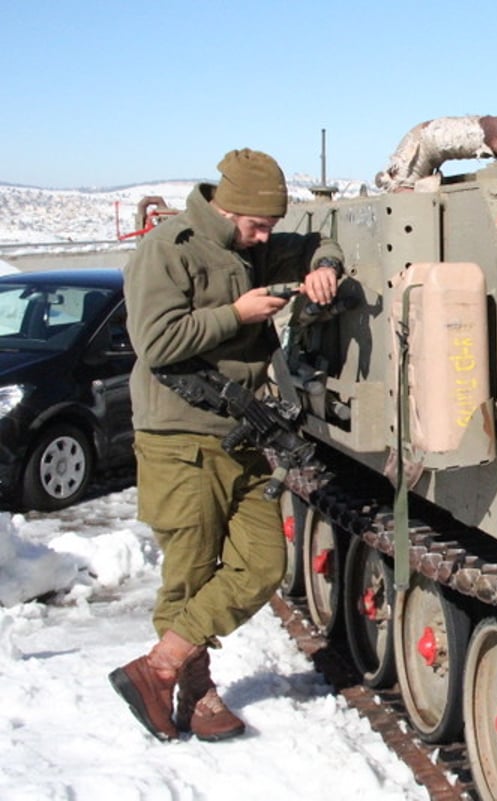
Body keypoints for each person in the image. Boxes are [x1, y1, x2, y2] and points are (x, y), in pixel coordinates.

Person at [109, 148, 343, 742]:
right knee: (189, 574)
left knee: (263, 563)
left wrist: (325, 266)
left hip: (241, 430)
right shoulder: (168, 249)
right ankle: (194, 690)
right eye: (256, 224)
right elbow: (156, 342)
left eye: (268, 226)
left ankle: (159, 668)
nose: (264, 237)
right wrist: (236, 313)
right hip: (179, 437)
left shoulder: (253, 244)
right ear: (227, 204)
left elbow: (318, 243)